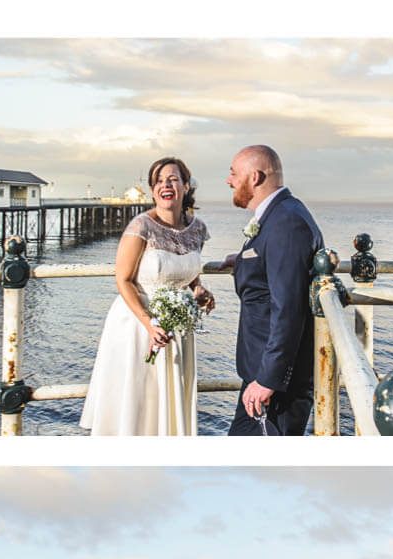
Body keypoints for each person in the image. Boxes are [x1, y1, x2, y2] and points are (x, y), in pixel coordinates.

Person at [80, 158, 215, 436]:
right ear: (153, 191)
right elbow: (124, 279)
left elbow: (187, 268)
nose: (166, 184)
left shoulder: (197, 229)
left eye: (173, 179)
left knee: (166, 403)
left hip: (177, 327)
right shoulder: (141, 226)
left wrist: (197, 288)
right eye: (159, 181)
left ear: (186, 186)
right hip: (138, 325)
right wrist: (148, 323)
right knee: (137, 401)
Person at [223, 145, 324, 435]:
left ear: (254, 177)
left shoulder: (286, 222)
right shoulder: (279, 214)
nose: (228, 181)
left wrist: (268, 380)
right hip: (262, 374)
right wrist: (241, 259)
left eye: (233, 173)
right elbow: (274, 267)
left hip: (275, 385)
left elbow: (288, 307)